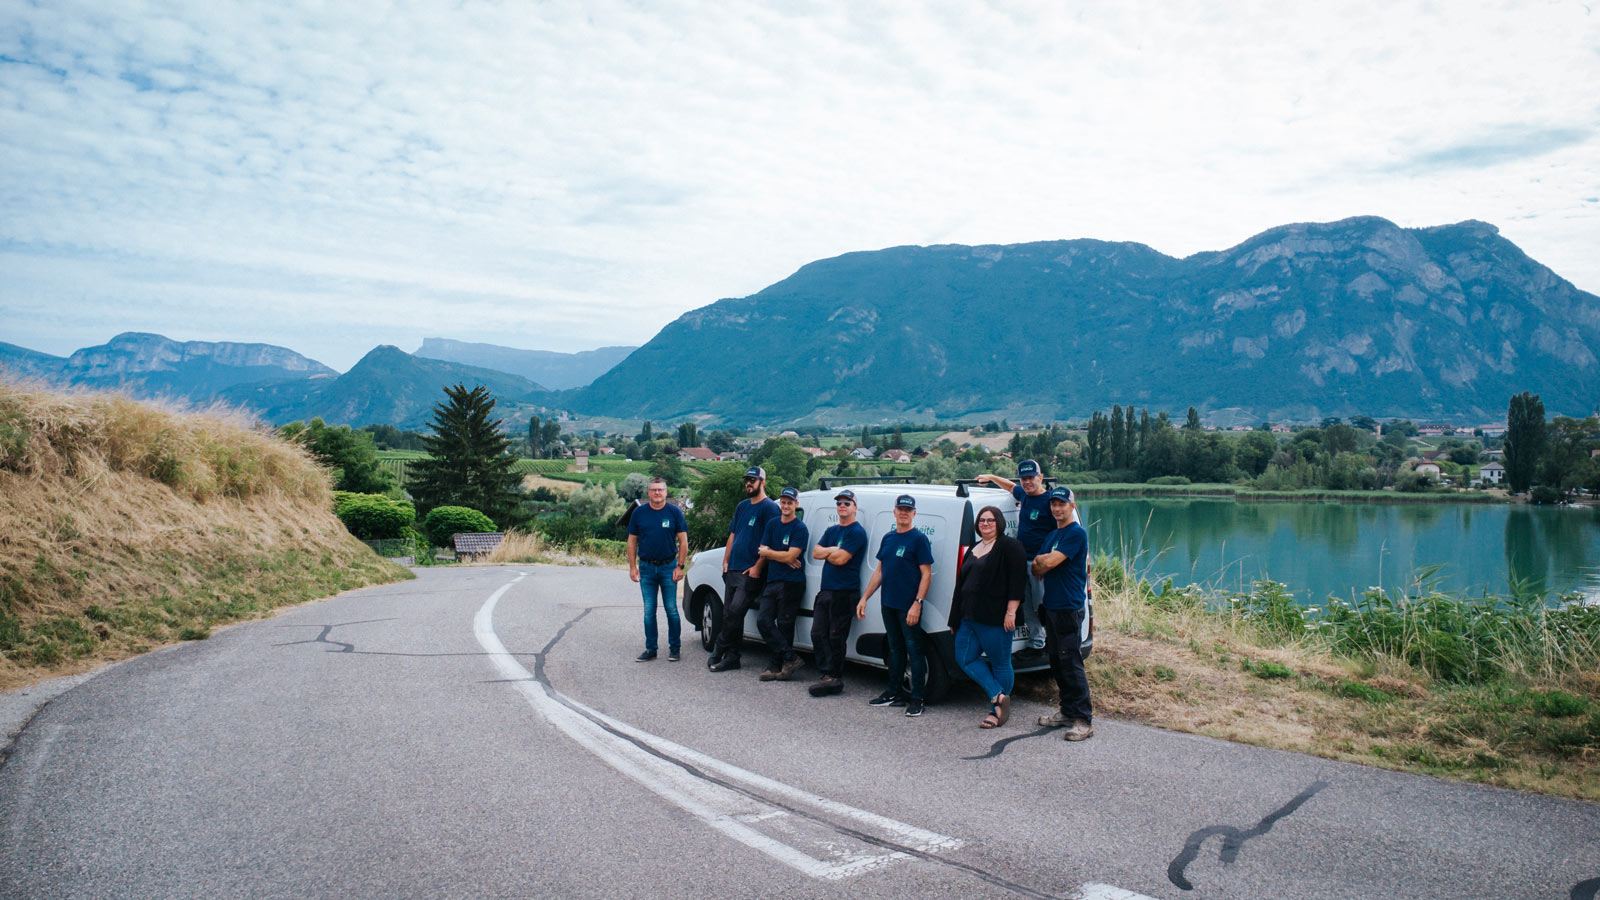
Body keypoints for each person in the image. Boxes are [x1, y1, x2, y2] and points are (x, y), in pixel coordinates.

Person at [948, 505, 1027, 728]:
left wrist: (1011, 612)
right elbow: (961, 585)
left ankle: (996, 712)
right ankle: (998, 695)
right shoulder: (974, 547)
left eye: (990, 520)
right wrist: (954, 618)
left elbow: (1017, 582)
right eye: (982, 520)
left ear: (999, 523)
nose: (985, 524)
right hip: (969, 617)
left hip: (996, 617)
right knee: (964, 658)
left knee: (1000, 663)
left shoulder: (1010, 546)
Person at [856, 494, 934, 717]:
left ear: (914, 514)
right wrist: (865, 598)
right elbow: (880, 571)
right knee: (895, 649)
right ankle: (894, 692)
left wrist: (917, 603)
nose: (903, 513)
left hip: (908, 605)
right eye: (900, 509)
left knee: (915, 651)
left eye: (908, 510)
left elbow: (926, 574)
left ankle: (917, 698)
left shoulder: (919, 539)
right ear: (894, 512)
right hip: (888, 603)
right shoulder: (888, 538)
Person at [1031, 486, 1093, 741]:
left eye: (1062, 504)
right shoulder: (1052, 536)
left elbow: (1046, 563)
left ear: (1072, 506)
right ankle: (1066, 711)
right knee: (1056, 661)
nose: (1057, 508)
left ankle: (1083, 720)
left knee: (1071, 662)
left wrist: (1045, 561)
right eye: (1054, 504)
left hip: (1069, 607)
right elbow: (1037, 567)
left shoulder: (1076, 534)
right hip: (1052, 606)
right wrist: (1044, 561)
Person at [710, 466, 781, 672]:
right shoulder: (742, 506)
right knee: (730, 615)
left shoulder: (769, 508)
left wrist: (757, 567)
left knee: (735, 611)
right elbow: (733, 535)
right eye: (747, 480)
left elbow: (770, 543)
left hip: (750, 572)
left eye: (753, 480)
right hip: (732, 568)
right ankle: (733, 657)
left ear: (763, 482)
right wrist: (725, 561)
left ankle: (718, 649)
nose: (749, 483)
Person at [977, 459, 1051, 650]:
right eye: (1023, 479)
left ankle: (1052, 641)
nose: (1026, 482)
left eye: (1031, 478)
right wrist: (992, 477)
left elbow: (1061, 529)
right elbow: (1010, 487)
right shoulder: (1024, 495)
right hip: (1021, 562)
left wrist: (1049, 561)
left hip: (1040, 564)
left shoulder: (1051, 502)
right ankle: (1037, 643)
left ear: (1040, 478)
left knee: (1042, 605)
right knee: (1026, 604)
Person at [807, 489, 868, 697]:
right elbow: (815, 552)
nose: (842, 505)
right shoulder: (832, 530)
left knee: (836, 636)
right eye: (840, 502)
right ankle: (826, 674)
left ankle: (835, 676)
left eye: (847, 503)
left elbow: (841, 560)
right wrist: (833, 550)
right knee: (817, 632)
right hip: (826, 590)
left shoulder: (857, 532)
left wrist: (829, 552)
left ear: (855, 508)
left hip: (845, 592)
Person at [626, 476, 689, 661]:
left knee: (671, 609)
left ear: (666, 492)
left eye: (660, 489)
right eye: (654, 489)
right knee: (649, 611)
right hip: (646, 568)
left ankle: (675, 648)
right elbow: (631, 541)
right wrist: (632, 567)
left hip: (669, 567)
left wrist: (680, 566)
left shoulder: (675, 512)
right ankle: (651, 649)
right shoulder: (639, 513)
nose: (657, 492)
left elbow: (683, 541)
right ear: (648, 492)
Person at [754, 486, 810, 681]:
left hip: (792, 582)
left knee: (785, 624)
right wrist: (782, 556)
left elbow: (791, 556)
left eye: (790, 502)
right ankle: (790, 657)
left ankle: (776, 665)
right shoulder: (772, 524)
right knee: (763, 620)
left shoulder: (800, 528)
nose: (786, 506)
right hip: (773, 579)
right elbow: (763, 550)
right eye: (783, 502)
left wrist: (772, 553)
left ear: (796, 504)